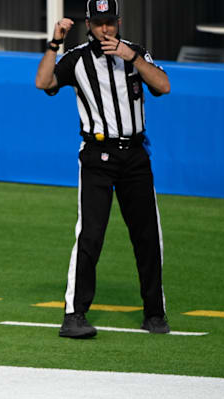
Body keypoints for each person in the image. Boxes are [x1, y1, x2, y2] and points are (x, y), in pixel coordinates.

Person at [35, 0, 171, 339]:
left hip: (136, 155)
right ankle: (74, 315)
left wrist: (132, 58)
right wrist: (55, 43)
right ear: (88, 25)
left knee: (147, 236)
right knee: (91, 234)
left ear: (119, 22)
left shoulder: (136, 53)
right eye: (98, 23)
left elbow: (164, 86)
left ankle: (155, 313)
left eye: (110, 22)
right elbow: (43, 82)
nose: (105, 29)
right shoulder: (78, 59)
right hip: (97, 155)